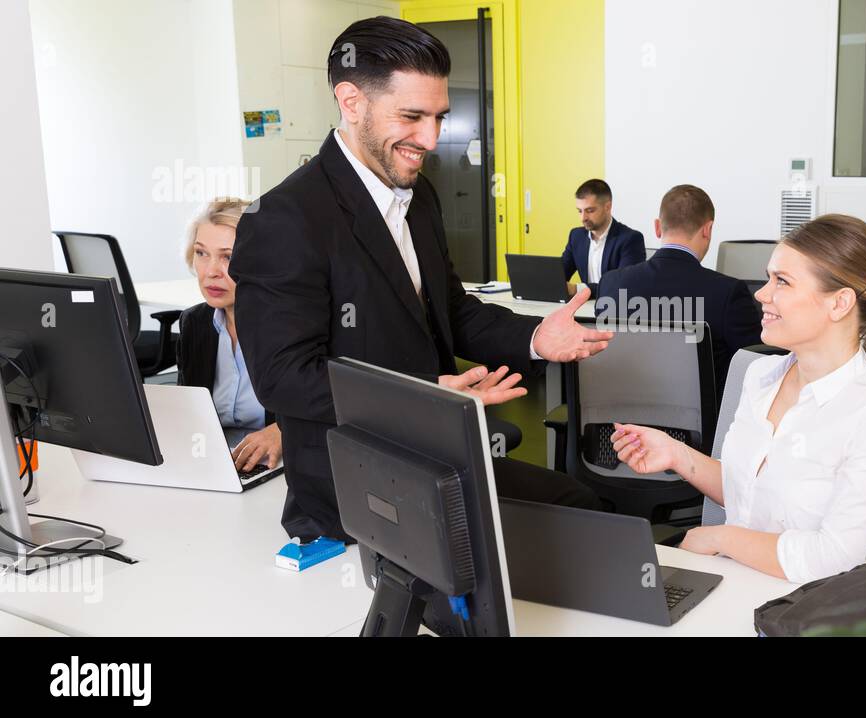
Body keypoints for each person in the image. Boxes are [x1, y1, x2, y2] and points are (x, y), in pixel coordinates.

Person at [229, 16, 611, 542]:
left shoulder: (419, 196)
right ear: (351, 101)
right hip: (355, 488)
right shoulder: (284, 218)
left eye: (438, 117)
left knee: (582, 510)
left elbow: (449, 311)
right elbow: (285, 378)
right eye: (412, 116)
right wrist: (423, 395)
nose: (430, 138)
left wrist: (533, 337)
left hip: (436, 459)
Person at [610, 214, 866, 583]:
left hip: (799, 607)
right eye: (768, 278)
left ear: (839, 303)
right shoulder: (761, 376)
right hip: (728, 581)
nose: (761, 294)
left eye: (782, 282)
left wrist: (719, 537)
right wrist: (676, 454)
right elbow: (748, 492)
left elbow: (835, 557)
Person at [596, 185, 762, 401]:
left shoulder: (611, 283)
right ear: (707, 229)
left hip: (622, 428)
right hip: (700, 430)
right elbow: (758, 365)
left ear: (657, 227)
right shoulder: (727, 293)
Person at [176, 197, 281, 473]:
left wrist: (284, 431)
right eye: (201, 253)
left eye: (228, 257)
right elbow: (188, 415)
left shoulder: (290, 326)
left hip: (277, 467)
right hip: (214, 462)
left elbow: (340, 409)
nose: (211, 272)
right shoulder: (194, 323)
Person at [560, 179, 645, 299]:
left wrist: (577, 289)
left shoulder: (630, 239)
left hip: (614, 311)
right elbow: (560, 275)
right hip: (583, 309)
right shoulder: (576, 236)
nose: (583, 218)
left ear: (608, 207)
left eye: (590, 211)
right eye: (580, 211)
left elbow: (623, 286)